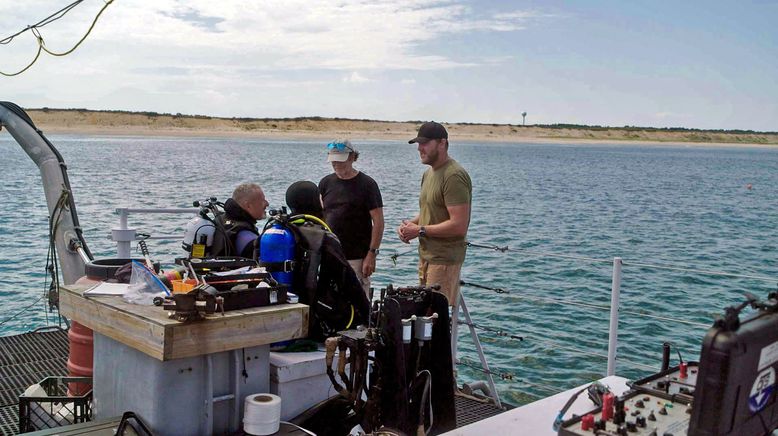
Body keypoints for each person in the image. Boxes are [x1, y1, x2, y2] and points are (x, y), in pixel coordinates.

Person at [397, 122, 472, 308]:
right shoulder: (428, 174)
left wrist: (419, 230)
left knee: (434, 321)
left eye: (424, 143)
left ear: (442, 143)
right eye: (418, 143)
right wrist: (409, 227)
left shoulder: (453, 176)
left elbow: (459, 225)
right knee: (424, 318)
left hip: (444, 261)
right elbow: (429, 212)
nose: (419, 148)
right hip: (426, 258)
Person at [319, 140, 384, 296]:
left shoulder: (367, 184)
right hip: (330, 255)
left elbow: (378, 222)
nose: (336, 165)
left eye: (340, 161)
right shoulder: (325, 183)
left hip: (357, 257)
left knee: (358, 301)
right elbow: (320, 215)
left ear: (352, 157)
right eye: (333, 161)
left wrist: (371, 254)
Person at [211, 182, 268, 258]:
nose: (267, 203)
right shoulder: (243, 233)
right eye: (262, 200)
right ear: (248, 205)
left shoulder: (222, 219)